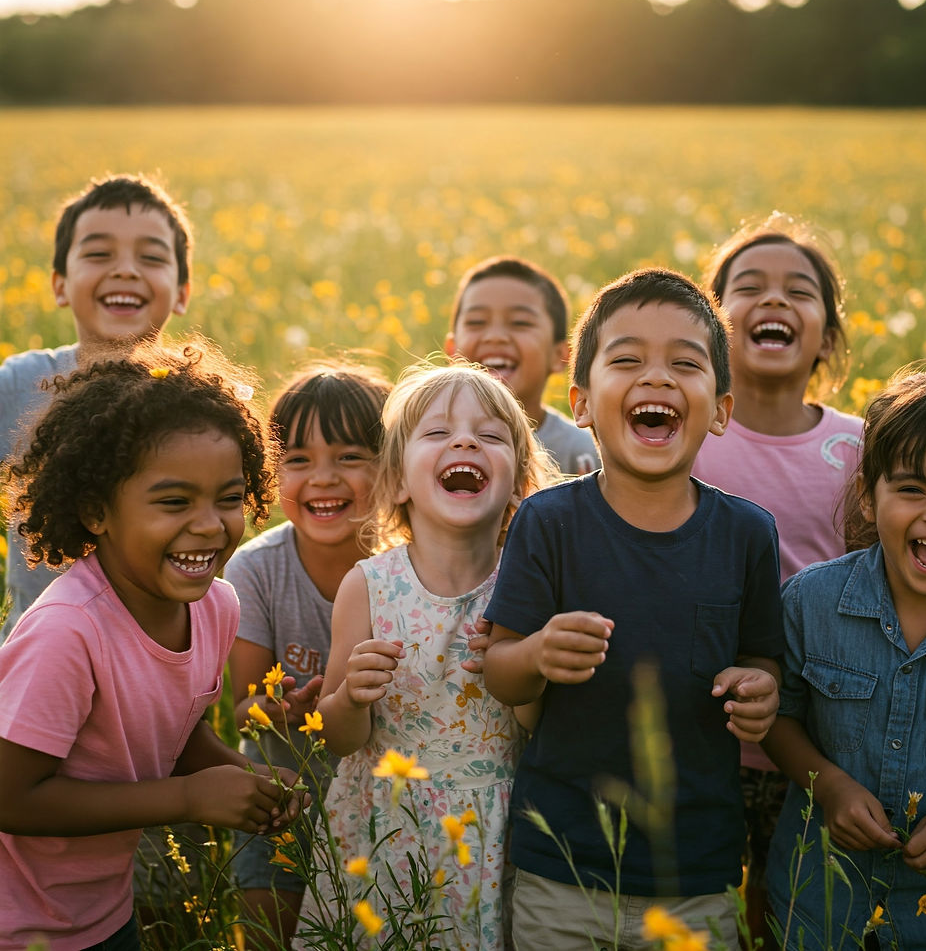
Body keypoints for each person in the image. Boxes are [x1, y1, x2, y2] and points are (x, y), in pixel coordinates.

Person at [482, 268, 785, 951]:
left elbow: (762, 658)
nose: (656, 377)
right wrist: (536, 654)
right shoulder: (547, 522)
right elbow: (500, 671)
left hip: (697, 874)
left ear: (721, 410)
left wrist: (760, 691)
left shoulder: (747, 534)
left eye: (685, 363)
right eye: (626, 360)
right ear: (582, 403)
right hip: (561, 868)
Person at [0, 342, 305, 951]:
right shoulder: (68, 632)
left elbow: (174, 729)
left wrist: (243, 776)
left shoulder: (215, 606)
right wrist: (188, 798)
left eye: (228, 498)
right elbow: (10, 798)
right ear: (96, 511)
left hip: (103, 913)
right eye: (173, 502)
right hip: (18, 926)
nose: (210, 524)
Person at [297, 362, 557, 951]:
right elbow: (337, 738)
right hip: (385, 824)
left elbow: (537, 726)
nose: (465, 442)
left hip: (491, 827)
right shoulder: (368, 586)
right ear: (396, 482)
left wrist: (524, 670)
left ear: (520, 485)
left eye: (489, 436)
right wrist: (351, 697)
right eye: (438, 433)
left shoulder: (529, 588)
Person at [692, 213, 864, 947]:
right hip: (705, 737)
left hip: (826, 746)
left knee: (802, 916)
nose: (773, 300)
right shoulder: (686, 438)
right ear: (711, 328)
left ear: (827, 335)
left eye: (799, 290)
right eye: (750, 287)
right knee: (717, 915)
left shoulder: (859, 446)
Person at [764, 371, 926, 951]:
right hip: (820, 905)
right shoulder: (810, 602)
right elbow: (777, 717)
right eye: (912, 489)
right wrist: (829, 785)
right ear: (867, 494)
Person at [225, 363, 391, 950]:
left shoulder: (410, 567)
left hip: (386, 806)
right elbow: (241, 710)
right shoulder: (255, 570)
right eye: (297, 459)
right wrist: (276, 709)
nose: (323, 478)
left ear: (392, 465)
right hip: (283, 799)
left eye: (350, 456)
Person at [0, 173, 192, 636]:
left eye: (151, 257)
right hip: (37, 657)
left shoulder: (195, 401)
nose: (125, 270)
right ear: (60, 285)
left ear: (182, 292)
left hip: (153, 660)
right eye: (99, 253)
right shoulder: (18, 385)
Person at [446, 255, 599, 476]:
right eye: (476, 322)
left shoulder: (583, 453)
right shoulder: (423, 443)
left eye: (520, 323)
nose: (495, 337)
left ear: (560, 356)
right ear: (451, 350)